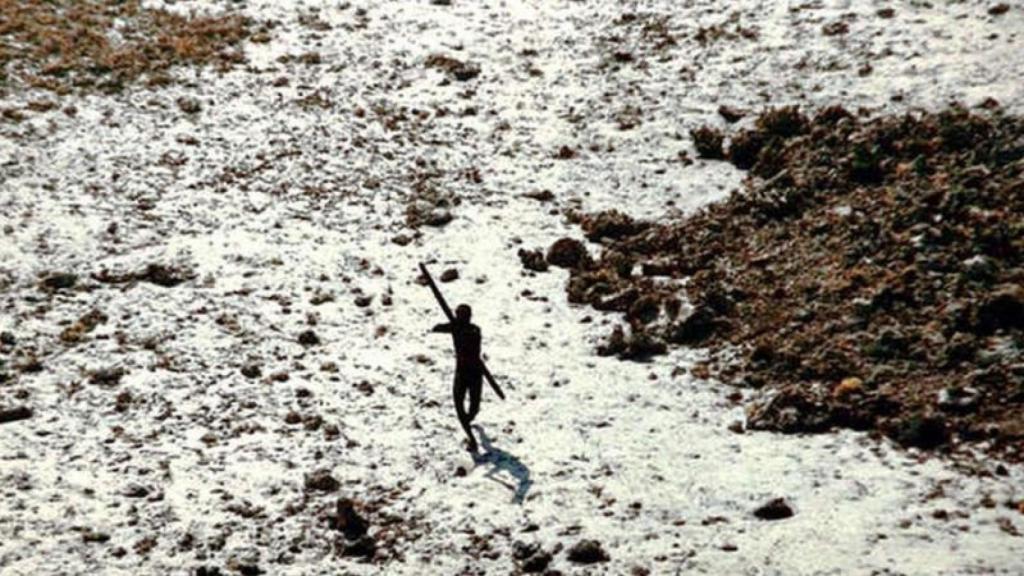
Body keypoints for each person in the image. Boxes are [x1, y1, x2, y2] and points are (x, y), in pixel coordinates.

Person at [431, 303, 483, 451]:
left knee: (474, 407)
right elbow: (438, 328)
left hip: (474, 372)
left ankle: (468, 421)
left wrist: (454, 326)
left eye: (462, 315)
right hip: (462, 372)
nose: (460, 318)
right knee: (459, 404)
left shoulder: (473, 330)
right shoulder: (456, 327)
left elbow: (471, 342)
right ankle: (471, 438)